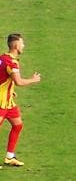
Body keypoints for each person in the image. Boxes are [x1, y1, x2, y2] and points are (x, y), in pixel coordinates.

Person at [0, 33, 41, 168]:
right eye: (22, 43)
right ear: (16, 45)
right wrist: (33, 80)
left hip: (9, 102)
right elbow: (18, 81)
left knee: (18, 125)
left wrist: (10, 91)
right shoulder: (12, 63)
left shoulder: (2, 58)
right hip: (1, 104)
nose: (24, 46)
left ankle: (10, 157)